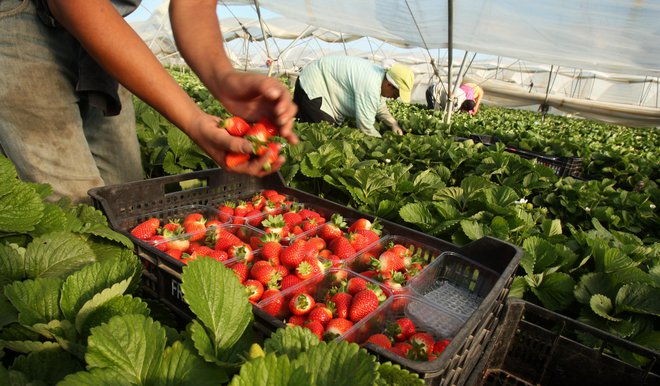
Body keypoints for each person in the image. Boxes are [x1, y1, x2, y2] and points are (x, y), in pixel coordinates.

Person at [0, 0, 298, 204]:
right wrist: (193, 120)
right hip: (20, 15)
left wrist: (224, 79)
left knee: (126, 194)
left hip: (106, 20)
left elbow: (195, 3)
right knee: (74, 202)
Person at [292, 56, 414, 137]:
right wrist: (383, 144)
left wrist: (393, 123)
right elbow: (365, 127)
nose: (394, 98)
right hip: (314, 86)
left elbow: (379, 106)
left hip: (312, 80)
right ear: (389, 84)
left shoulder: (379, 77)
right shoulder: (370, 84)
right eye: (396, 94)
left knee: (298, 127)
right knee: (323, 135)